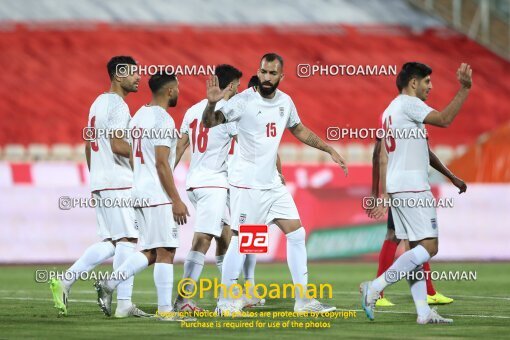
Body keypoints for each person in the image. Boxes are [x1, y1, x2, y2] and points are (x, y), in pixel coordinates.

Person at [202, 53, 348, 315]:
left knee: (297, 233)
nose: (266, 77)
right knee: (242, 239)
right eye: (262, 72)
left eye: (272, 73)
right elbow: (210, 122)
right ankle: (225, 302)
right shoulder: (244, 101)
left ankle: (303, 301)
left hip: (272, 184)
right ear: (258, 72)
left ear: (282, 76)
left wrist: (328, 149)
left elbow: (299, 129)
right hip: (248, 184)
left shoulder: (286, 102)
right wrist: (212, 105)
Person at [361, 62, 472, 324]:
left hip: (399, 186)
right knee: (429, 247)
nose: (430, 87)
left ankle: (423, 312)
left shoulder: (391, 110)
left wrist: (451, 176)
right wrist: (464, 89)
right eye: (427, 82)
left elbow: (424, 150)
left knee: (414, 250)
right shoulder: (409, 104)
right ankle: (374, 287)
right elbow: (445, 120)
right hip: (413, 186)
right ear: (413, 82)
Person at [50, 56, 148, 318]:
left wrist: (96, 182)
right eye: (134, 74)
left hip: (102, 181)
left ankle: (65, 281)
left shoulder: (97, 103)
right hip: (118, 181)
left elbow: (87, 145)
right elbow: (118, 145)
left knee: (111, 242)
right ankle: (124, 302)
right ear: (118, 75)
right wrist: (145, 155)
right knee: (128, 239)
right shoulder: (119, 106)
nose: (139, 78)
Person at [94, 72, 194, 322]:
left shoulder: (139, 115)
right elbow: (162, 164)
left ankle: (109, 282)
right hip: (157, 194)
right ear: (170, 91)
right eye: (178, 88)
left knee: (151, 251)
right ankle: (165, 311)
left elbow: (134, 154)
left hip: (139, 191)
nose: (179, 92)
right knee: (167, 251)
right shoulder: (163, 120)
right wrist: (176, 199)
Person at [173, 64, 242, 312]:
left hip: (195, 182)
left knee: (226, 236)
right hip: (212, 183)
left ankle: (230, 294)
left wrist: (167, 179)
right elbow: (247, 144)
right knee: (202, 239)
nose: (240, 89)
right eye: (238, 85)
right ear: (232, 86)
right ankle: (184, 299)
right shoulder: (228, 111)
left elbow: (180, 146)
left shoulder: (192, 110)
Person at [368, 137, 466, 307]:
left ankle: (424, 292)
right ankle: (378, 292)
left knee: (406, 238)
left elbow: (426, 153)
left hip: (409, 188)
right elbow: (379, 156)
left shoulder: (412, 123)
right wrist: (380, 194)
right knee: (403, 237)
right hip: (403, 188)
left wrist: (452, 177)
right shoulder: (394, 119)